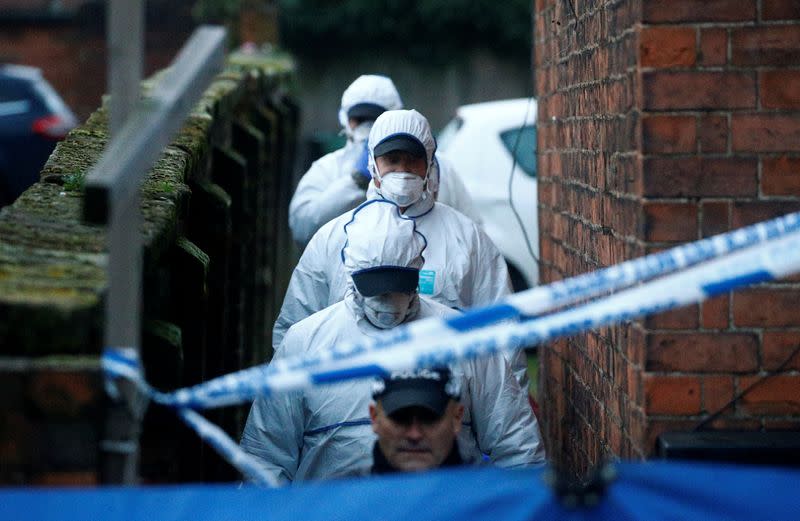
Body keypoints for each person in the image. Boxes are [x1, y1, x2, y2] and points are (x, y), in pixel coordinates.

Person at [240, 200, 544, 483]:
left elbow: (516, 445)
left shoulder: (465, 341)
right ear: (350, 273)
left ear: (418, 272)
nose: (389, 301)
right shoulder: (304, 344)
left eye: (398, 287)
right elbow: (266, 458)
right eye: (378, 289)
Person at [273, 109, 528, 387]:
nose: (402, 171)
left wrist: (506, 399)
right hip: (348, 404)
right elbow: (294, 332)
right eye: (392, 160)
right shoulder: (332, 239)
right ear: (372, 164)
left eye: (412, 161)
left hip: (442, 410)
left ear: (430, 163)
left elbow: (504, 337)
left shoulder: (468, 240)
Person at [288, 74, 480, 248]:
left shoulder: (439, 169)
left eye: (376, 118)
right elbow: (302, 229)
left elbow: (473, 235)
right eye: (359, 119)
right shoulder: (328, 169)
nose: (368, 126)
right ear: (345, 119)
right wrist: (355, 182)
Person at [369, 368, 465, 474]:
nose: (414, 435)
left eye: (429, 417)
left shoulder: (485, 488)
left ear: (457, 418)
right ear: (374, 418)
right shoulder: (349, 488)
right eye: (400, 416)